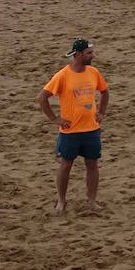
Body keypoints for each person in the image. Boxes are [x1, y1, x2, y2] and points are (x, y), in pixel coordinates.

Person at [39, 39, 108, 213]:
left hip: (91, 129)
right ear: (77, 55)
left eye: (91, 52)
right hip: (70, 131)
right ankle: (61, 201)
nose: (92, 56)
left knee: (92, 165)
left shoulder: (93, 72)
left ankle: (91, 201)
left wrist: (101, 112)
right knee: (65, 165)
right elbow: (42, 97)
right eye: (89, 53)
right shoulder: (63, 75)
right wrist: (55, 119)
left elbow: (105, 91)